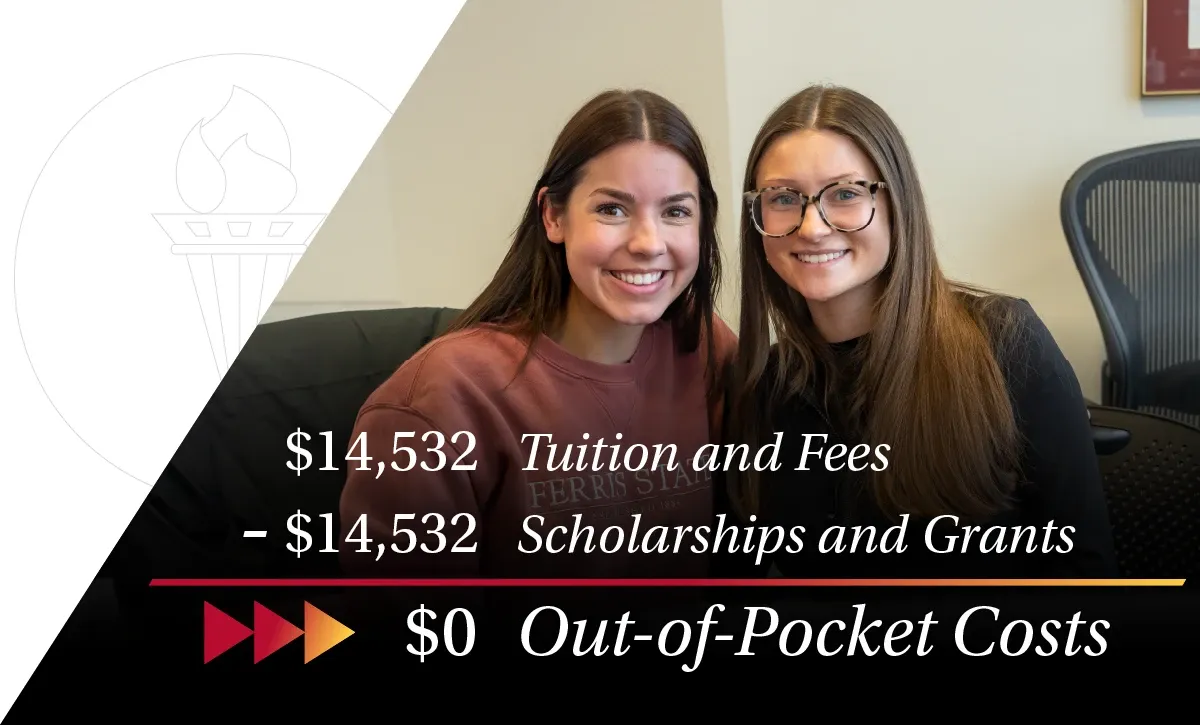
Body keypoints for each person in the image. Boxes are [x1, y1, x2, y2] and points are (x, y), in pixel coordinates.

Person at [717, 85, 1117, 579]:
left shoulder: (1004, 342)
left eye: (844, 193)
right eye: (783, 198)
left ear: (896, 201)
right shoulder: (764, 383)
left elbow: (1089, 573)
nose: (812, 227)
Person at [340, 89, 736, 580]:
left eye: (676, 212)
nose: (648, 243)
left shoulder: (704, 348)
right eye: (612, 209)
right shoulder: (439, 398)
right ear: (553, 215)